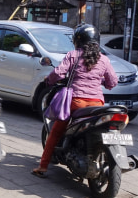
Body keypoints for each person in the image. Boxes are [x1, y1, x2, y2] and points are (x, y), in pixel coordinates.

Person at [32, 24, 118, 178]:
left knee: (55, 132)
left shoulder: (73, 55)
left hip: (76, 102)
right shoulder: (104, 59)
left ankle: (43, 166)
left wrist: (49, 80)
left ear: (77, 40)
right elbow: (112, 82)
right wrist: (101, 82)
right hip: (97, 105)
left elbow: (58, 73)